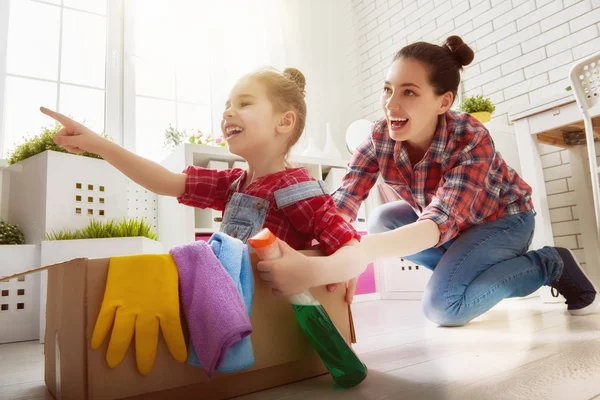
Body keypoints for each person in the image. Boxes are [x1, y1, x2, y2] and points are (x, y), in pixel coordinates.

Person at [258, 36, 599, 326]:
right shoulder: (379, 138)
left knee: (444, 307)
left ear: (443, 101)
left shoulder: (469, 137)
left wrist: (349, 258)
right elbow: (341, 206)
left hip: (504, 220)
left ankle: (549, 264)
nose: (391, 104)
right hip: (453, 229)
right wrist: (315, 251)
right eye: (388, 89)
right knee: (381, 221)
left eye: (409, 92)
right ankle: (467, 273)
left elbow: (437, 223)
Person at [41, 67, 364, 295]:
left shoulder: (297, 188)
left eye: (244, 103)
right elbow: (165, 182)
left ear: (285, 121)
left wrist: (322, 271)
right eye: (226, 106)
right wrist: (97, 144)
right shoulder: (233, 184)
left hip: (269, 310)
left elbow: (351, 249)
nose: (227, 113)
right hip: (233, 299)